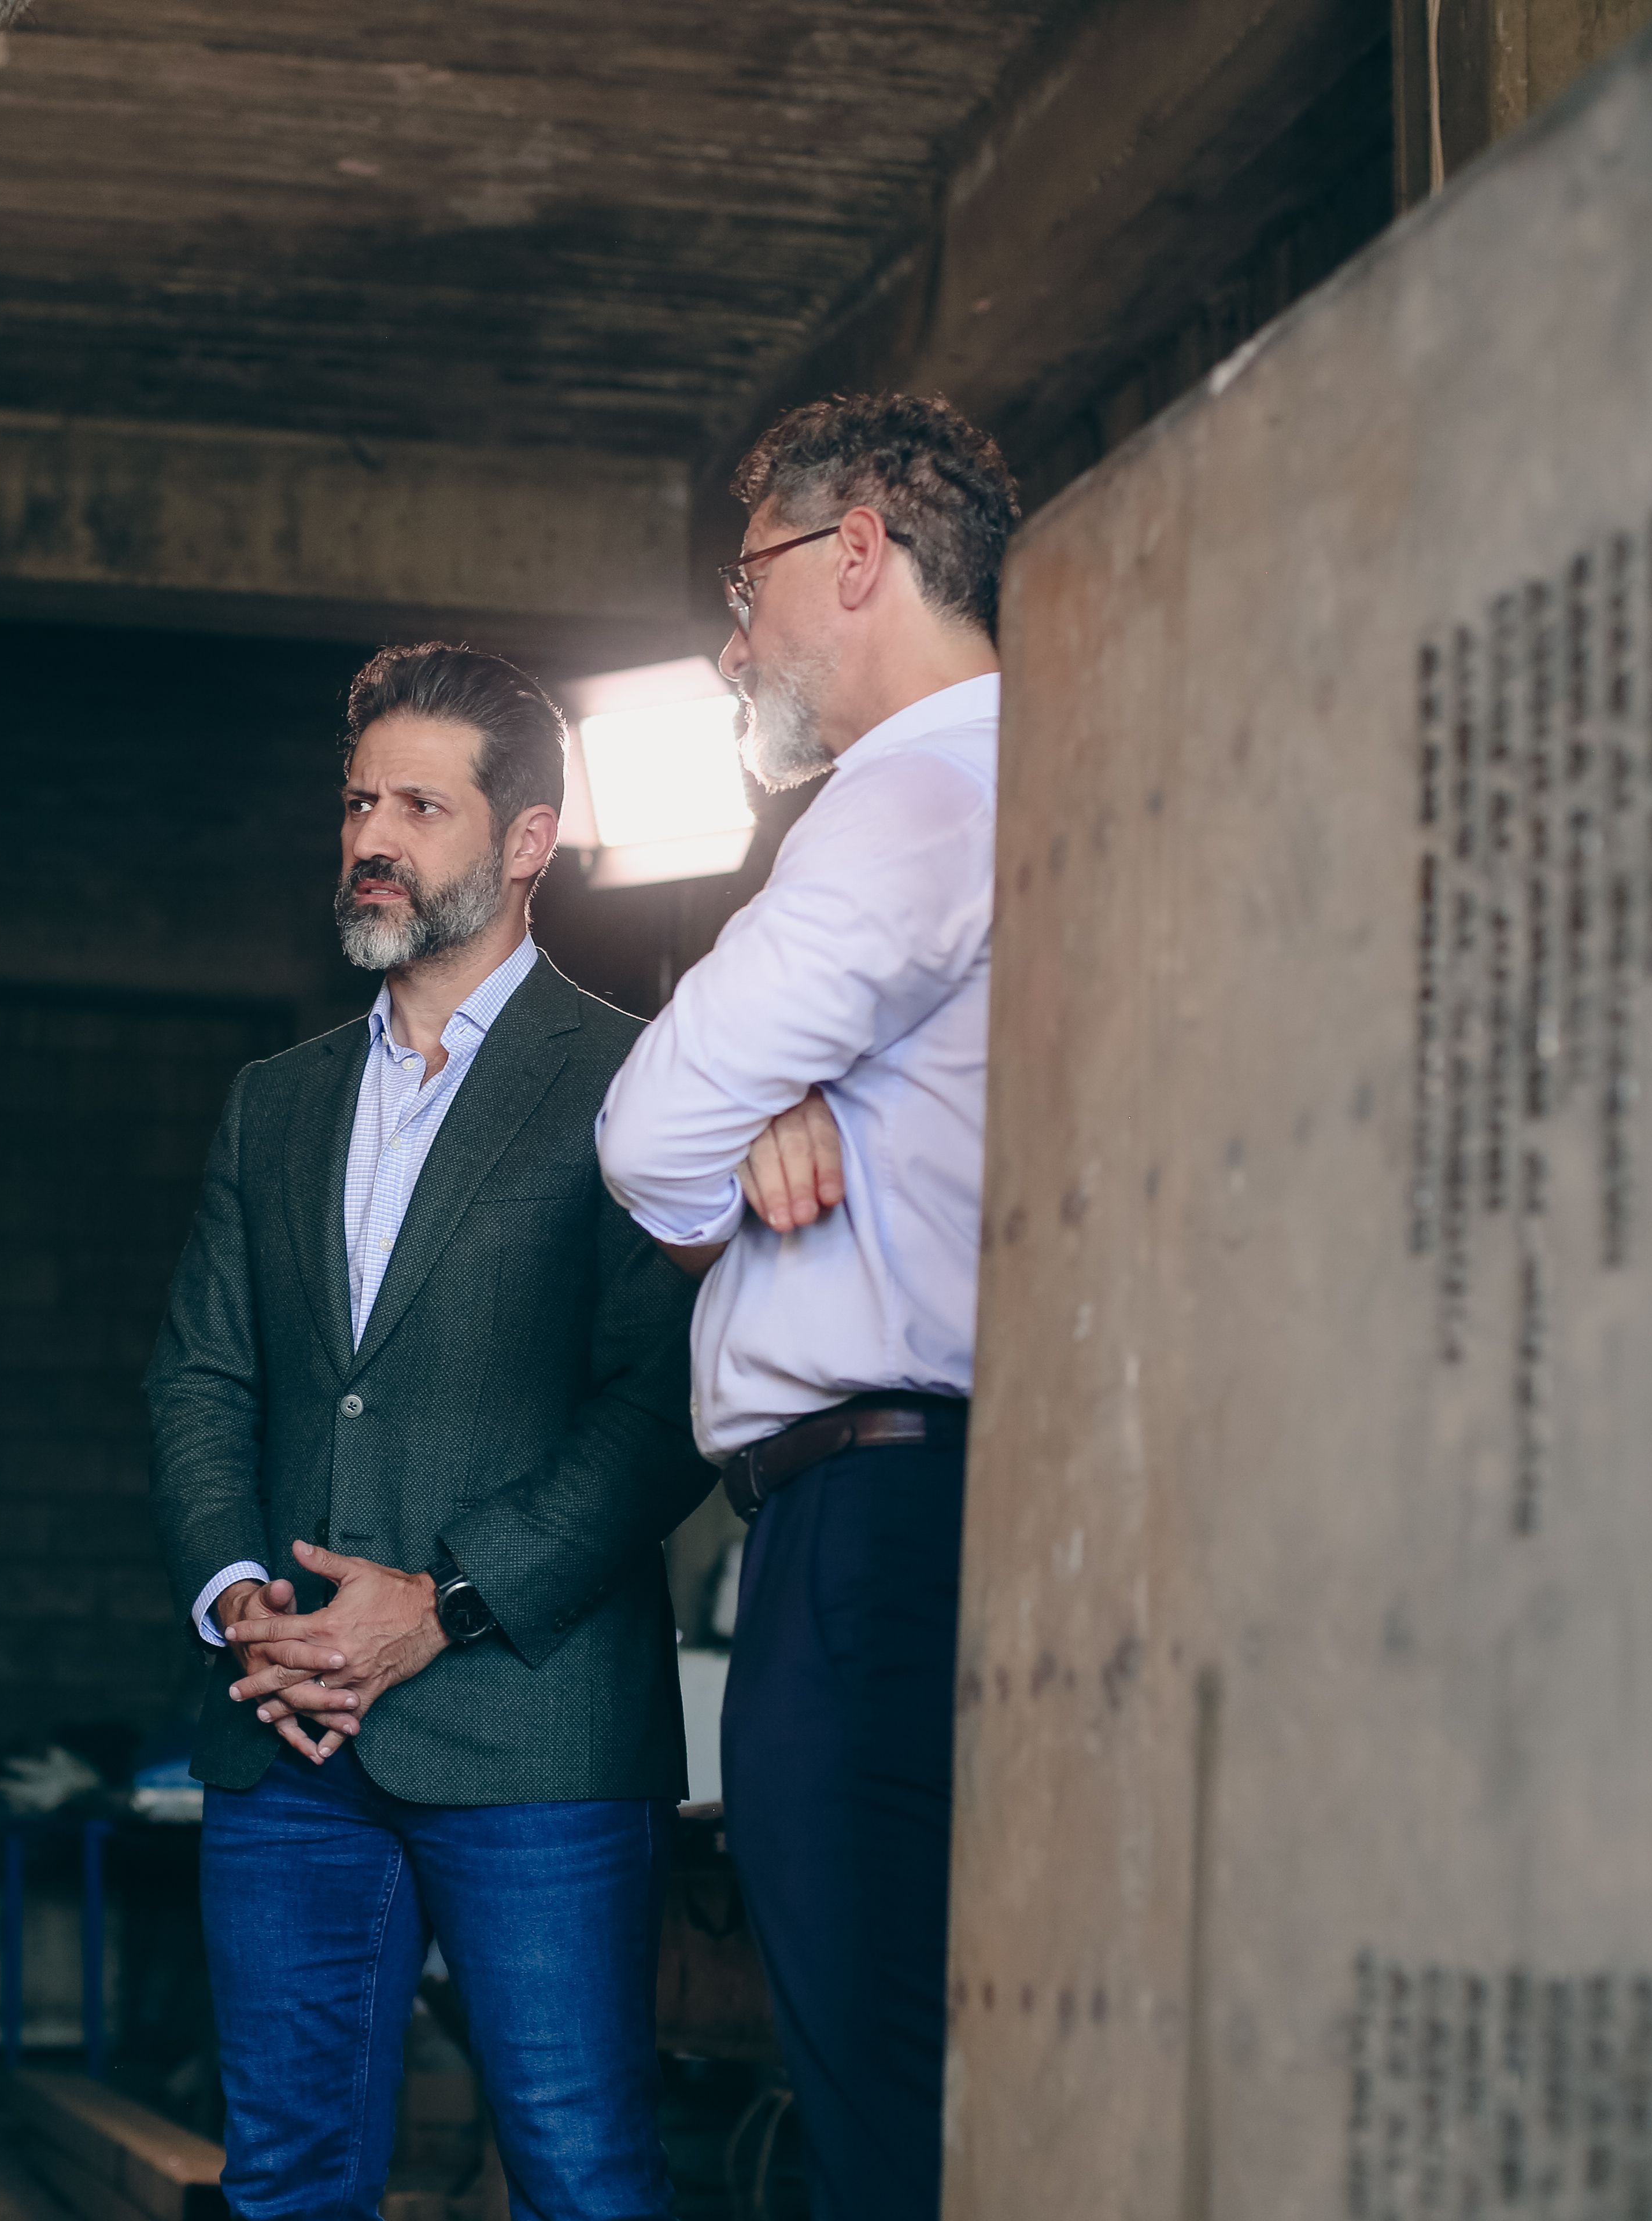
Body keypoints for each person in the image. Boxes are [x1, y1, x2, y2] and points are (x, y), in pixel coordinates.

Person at [145, 644, 709, 2221]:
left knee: (582, 2177)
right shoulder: (276, 1101)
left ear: (527, 841)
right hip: (288, 1730)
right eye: (357, 804)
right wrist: (240, 1597)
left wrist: (445, 1602)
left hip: (536, 1729)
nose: (371, 840)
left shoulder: (639, 1080)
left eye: (419, 807)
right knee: (283, 2183)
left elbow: (665, 1400)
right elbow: (201, 1377)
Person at [594, 392, 1018, 2221]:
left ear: (857, 554)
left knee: (873, 2090)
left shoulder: (911, 793)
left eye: (744, 582)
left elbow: (647, 1135)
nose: (730, 639)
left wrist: (720, 1164)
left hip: (871, 1521)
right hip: (957, 1504)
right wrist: (778, 1102)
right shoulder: (1043, 779)